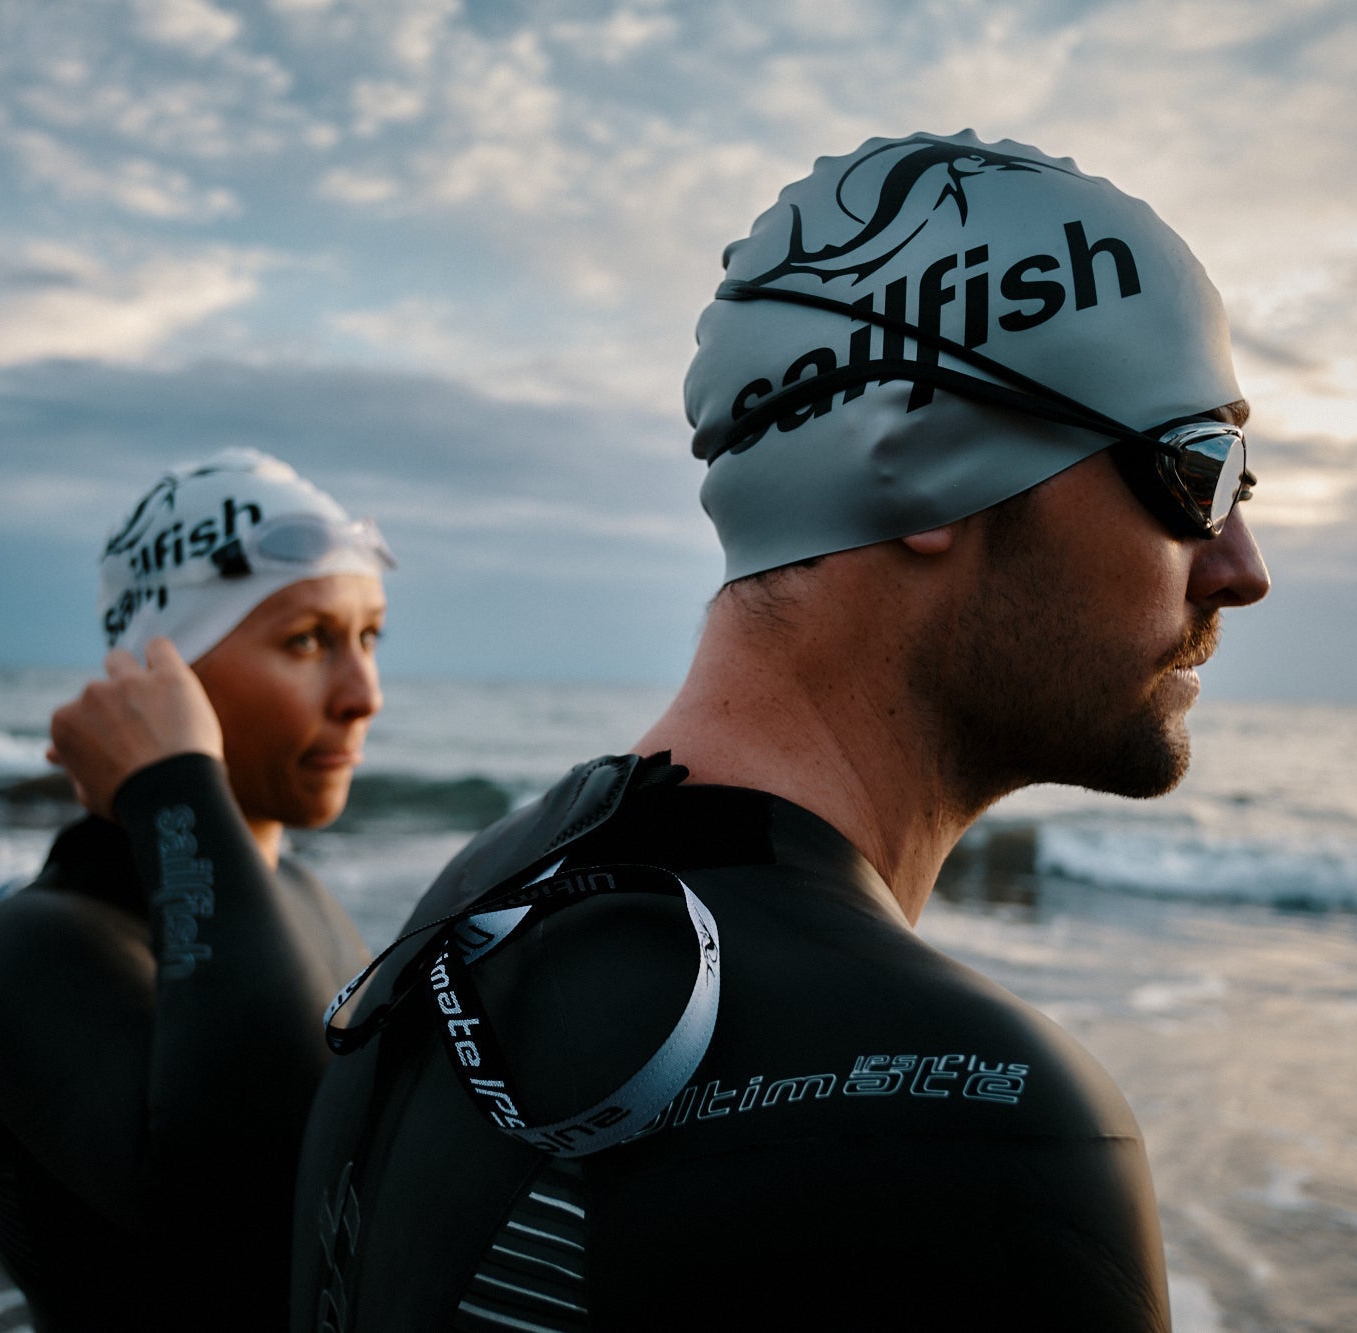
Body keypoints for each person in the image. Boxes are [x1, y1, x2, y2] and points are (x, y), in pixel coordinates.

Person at [289, 131, 1271, 1330]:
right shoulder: (983, 1127)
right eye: (1196, 467)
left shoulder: (465, 916)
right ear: (925, 469)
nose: (1238, 565)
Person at [0, 448, 394, 1331]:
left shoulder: (298, 894)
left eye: (369, 635)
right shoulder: (35, 945)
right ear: (168, 674)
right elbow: (277, 1224)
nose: (364, 694)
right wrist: (174, 783)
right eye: (307, 640)